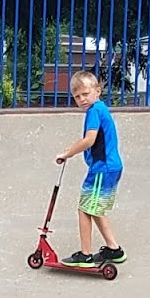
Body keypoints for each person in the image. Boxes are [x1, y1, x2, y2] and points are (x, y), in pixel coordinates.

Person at [53, 69, 125, 264]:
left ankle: (85, 255)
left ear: (97, 91)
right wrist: (71, 148)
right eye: (77, 97)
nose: (82, 99)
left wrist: (68, 153)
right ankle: (114, 249)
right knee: (94, 208)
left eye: (85, 94)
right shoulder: (101, 109)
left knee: (84, 209)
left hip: (102, 169)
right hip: (109, 168)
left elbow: (90, 140)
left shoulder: (94, 111)